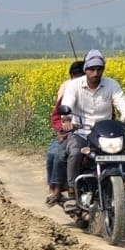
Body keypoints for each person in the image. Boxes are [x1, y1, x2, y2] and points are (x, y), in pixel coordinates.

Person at [61, 50, 125, 191]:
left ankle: (122, 180)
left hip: (105, 133)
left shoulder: (111, 85)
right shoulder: (74, 85)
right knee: (75, 152)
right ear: (85, 70)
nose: (95, 73)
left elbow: (123, 104)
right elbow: (67, 104)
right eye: (91, 69)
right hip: (82, 131)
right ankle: (72, 188)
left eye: (99, 69)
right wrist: (67, 120)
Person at [46, 59, 84, 204]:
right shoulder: (68, 92)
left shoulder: (100, 92)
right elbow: (57, 116)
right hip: (69, 133)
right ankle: (55, 188)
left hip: (92, 133)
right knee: (55, 153)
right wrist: (61, 131)